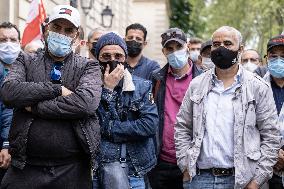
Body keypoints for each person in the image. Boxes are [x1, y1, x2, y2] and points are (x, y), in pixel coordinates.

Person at [0, 5, 102, 189]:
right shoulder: (25, 59)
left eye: (68, 30)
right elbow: (9, 92)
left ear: (76, 36)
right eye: (57, 27)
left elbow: (86, 104)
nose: (62, 34)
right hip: (25, 167)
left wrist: (36, 106)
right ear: (47, 29)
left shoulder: (89, 67)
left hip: (72, 170)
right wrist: (57, 90)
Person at [175, 26, 281, 189]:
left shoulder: (258, 87)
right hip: (199, 179)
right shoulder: (196, 85)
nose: (221, 48)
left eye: (228, 43)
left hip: (241, 180)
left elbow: (271, 137)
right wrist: (185, 166)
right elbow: (182, 127)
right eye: (216, 44)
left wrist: (256, 181)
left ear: (241, 48)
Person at [94, 32, 158, 188]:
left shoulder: (142, 86)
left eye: (118, 56)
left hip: (134, 168)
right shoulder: (90, 87)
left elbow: (149, 125)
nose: (112, 60)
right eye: (106, 56)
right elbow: (92, 125)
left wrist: (109, 129)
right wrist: (107, 89)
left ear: (125, 58)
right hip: (98, 169)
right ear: (98, 59)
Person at [148, 28, 202, 189]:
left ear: (187, 46)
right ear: (163, 51)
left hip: (192, 162)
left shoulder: (203, 79)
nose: (174, 52)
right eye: (169, 49)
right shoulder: (156, 79)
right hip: (161, 161)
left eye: (178, 47)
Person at [262, 34, 284, 189]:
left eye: (283, 56)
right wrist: (273, 154)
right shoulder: (256, 88)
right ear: (266, 59)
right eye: (273, 56)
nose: (278, 60)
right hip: (263, 166)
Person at [0, 21, 21, 182]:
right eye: (2, 40)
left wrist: (6, 143)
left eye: (13, 40)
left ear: (19, 42)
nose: (8, 44)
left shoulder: (26, 68)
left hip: (16, 145)